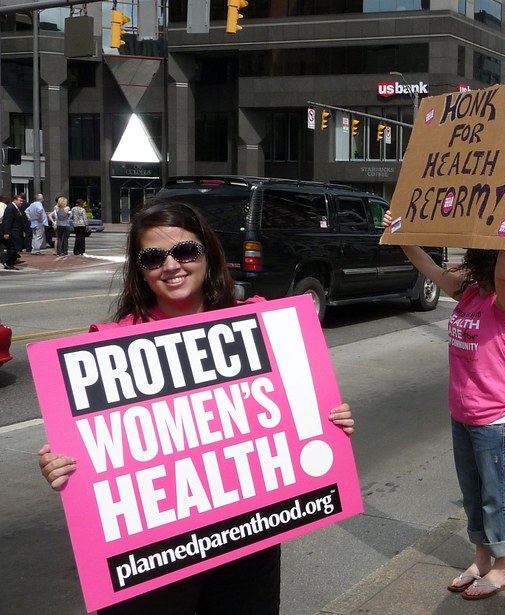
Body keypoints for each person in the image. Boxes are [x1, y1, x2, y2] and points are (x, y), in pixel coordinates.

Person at [37, 200, 356, 614]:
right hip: (153, 557)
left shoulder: (259, 323)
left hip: (245, 541)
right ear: (140, 269)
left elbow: (299, 416)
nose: (171, 266)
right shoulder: (107, 346)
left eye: (185, 252)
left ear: (208, 253)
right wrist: (61, 465)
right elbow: (95, 449)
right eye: (153, 257)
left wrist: (330, 422)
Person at [383, 204, 505, 600]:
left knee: (495, 493)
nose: (466, 264)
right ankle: (481, 557)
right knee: (472, 491)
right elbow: (427, 267)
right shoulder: (467, 292)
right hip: (461, 411)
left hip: (494, 417)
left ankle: (502, 566)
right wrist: (399, 232)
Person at [1, 194, 28, 270]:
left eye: (22, 201)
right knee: (15, 247)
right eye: (20, 201)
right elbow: (7, 221)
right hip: (13, 232)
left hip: (17, 231)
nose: (21, 202)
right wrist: (6, 232)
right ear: (15, 200)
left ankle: (10, 263)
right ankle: (5, 260)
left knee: (15, 247)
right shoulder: (10, 208)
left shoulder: (16, 208)